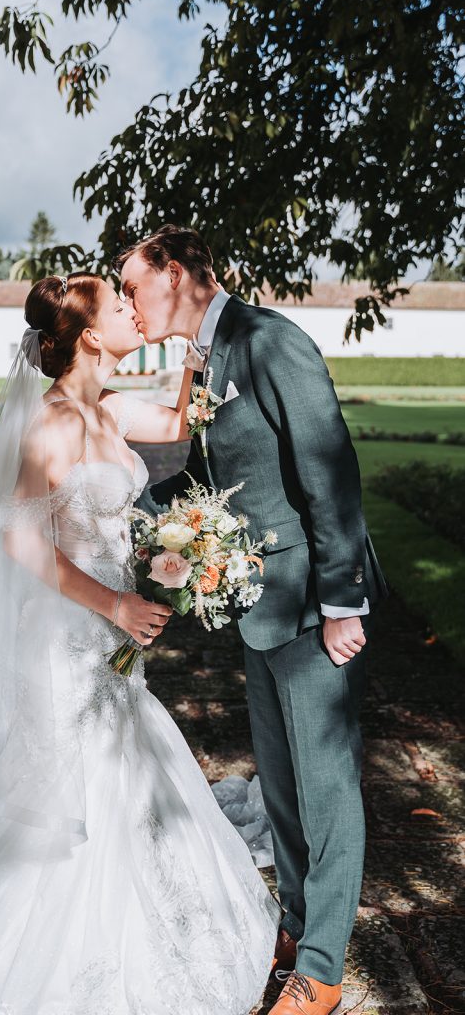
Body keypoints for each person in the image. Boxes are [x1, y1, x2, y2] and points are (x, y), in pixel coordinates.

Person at [0, 271, 279, 1015]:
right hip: (66, 634)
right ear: (89, 334)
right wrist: (115, 602)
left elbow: (179, 424)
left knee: (127, 764)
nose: (132, 310)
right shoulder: (52, 425)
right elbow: (23, 541)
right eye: (119, 304)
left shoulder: (110, 408)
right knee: (78, 775)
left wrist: (192, 346)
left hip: (114, 636)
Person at [119, 225, 388, 1015]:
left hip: (310, 606)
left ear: (174, 273)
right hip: (255, 608)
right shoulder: (199, 359)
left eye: (132, 286)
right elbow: (201, 481)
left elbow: (328, 468)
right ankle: (297, 928)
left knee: (325, 789)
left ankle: (322, 972)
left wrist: (341, 601)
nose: (129, 303)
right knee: (281, 787)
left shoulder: (269, 341)